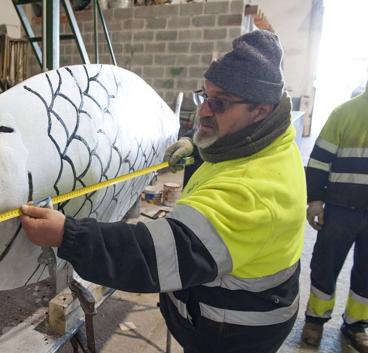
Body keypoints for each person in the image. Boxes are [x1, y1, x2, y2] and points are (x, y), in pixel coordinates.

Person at [20, 30, 306, 353]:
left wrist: (67, 235)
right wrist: (199, 150)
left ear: (261, 111)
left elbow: (150, 257)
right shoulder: (269, 141)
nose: (203, 111)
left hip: (234, 334)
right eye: (204, 95)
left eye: (220, 103)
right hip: (240, 303)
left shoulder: (254, 194)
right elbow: (235, 158)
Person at [300, 82, 368, 353]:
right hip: (341, 209)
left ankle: (356, 325)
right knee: (326, 265)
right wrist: (315, 201)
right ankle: (315, 321)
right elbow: (318, 161)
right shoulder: (345, 113)